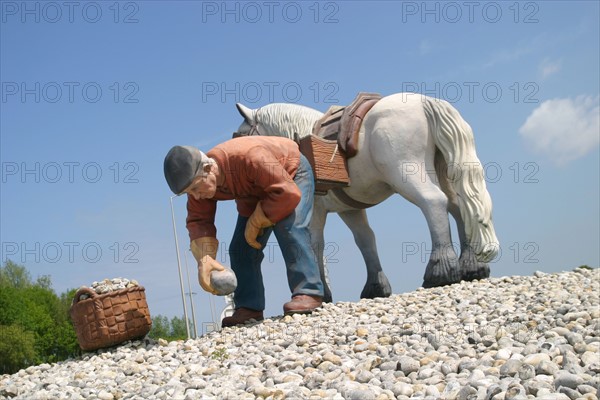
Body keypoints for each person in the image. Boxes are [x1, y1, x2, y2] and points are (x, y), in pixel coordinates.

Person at [163, 136, 324, 327]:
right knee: (240, 248)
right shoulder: (198, 183)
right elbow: (199, 220)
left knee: (290, 228)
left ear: (208, 168)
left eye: (197, 188)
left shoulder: (251, 157)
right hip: (253, 191)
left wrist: (257, 220)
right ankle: (249, 307)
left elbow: (286, 192)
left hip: (290, 175)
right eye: (190, 193)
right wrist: (205, 259)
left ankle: (309, 292)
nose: (196, 196)